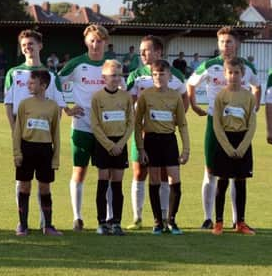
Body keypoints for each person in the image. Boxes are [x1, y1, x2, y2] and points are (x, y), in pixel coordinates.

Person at [187, 26, 260, 230]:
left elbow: (257, 87)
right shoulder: (209, 65)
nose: (225, 46)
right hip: (215, 123)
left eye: (228, 42)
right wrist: (194, 106)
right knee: (211, 171)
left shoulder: (246, 66)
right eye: (221, 42)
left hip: (239, 127)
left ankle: (238, 220)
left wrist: (254, 109)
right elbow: (191, 84)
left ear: (236, 44)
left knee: (239, 174)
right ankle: (208, 218)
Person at [125, 36, 188, 230]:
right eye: (141, 50)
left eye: (147, 50)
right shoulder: (135, 74)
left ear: (159, 52)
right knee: (139, 171)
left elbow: (184, 98)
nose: (142, 54)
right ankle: (138, 216)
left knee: (164, 174)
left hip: (165, 134)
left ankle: (164, 216)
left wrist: (171, 120)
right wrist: (142, 126)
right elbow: (130, 103)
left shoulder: (175, 74)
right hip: (144, 133)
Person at [4, 29, 66, 228]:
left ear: (40, 46)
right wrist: (15, 130)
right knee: (22, 179)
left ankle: (44, 222)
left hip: (43, 138)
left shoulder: (51, 75)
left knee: (44, 182)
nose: (27, 48)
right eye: (24, 45)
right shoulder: (13, 73)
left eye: (31, 44)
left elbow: (58, 107)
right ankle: (21, 222)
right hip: (23, 135)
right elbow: (8, 104)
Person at [59, 24, 115, 231]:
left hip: (108, 129)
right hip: (82, 126)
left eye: (99, 40)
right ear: (86, 42)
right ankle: (77, 217)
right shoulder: (76, 64)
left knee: (107, 173)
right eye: (92, 40)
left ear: (105, 42)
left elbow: (122, 91)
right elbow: (55, 82)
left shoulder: (111, 65)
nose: (95, 44)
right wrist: (66, 107)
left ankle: (110, 217)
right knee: (79, 171)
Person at [13, 69, 61, 236]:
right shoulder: (24, 104)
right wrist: (17, 153)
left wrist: (55, 158)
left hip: (45, 150)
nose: (29, 85)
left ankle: (48, 226)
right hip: (27, 148)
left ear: (43, 85)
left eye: (32, 82)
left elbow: (56, 133)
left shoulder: (53, 106)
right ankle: (23, 225)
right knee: (24, 187)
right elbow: (18, 130)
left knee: (45, 188)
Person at [211, 58, 256, 235]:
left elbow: (252, 124)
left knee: (241, 183)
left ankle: (241, 222)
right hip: (225, 142)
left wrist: (243, 146)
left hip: (242, 140)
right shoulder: (221, 96)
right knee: (222, 183)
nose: (233, 76)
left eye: (236, 72)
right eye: (230, 72)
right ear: (225, 74)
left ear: (242, 74)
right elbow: (217, 124)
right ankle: (219, 222)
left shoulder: (249, 97)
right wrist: (228, 147)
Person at [90, 60, 133, 236]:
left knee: (117, 184)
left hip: (120, 143)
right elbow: (95, 124)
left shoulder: (126, 97)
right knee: (102, 182)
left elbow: (131, 123)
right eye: (112, 75)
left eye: (119, 75)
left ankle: (116, 222)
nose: (116, 78)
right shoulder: (97, 97)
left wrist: (121, 144)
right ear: (104, 77)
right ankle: (101, 222)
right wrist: (109, 145)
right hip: (103, 144)